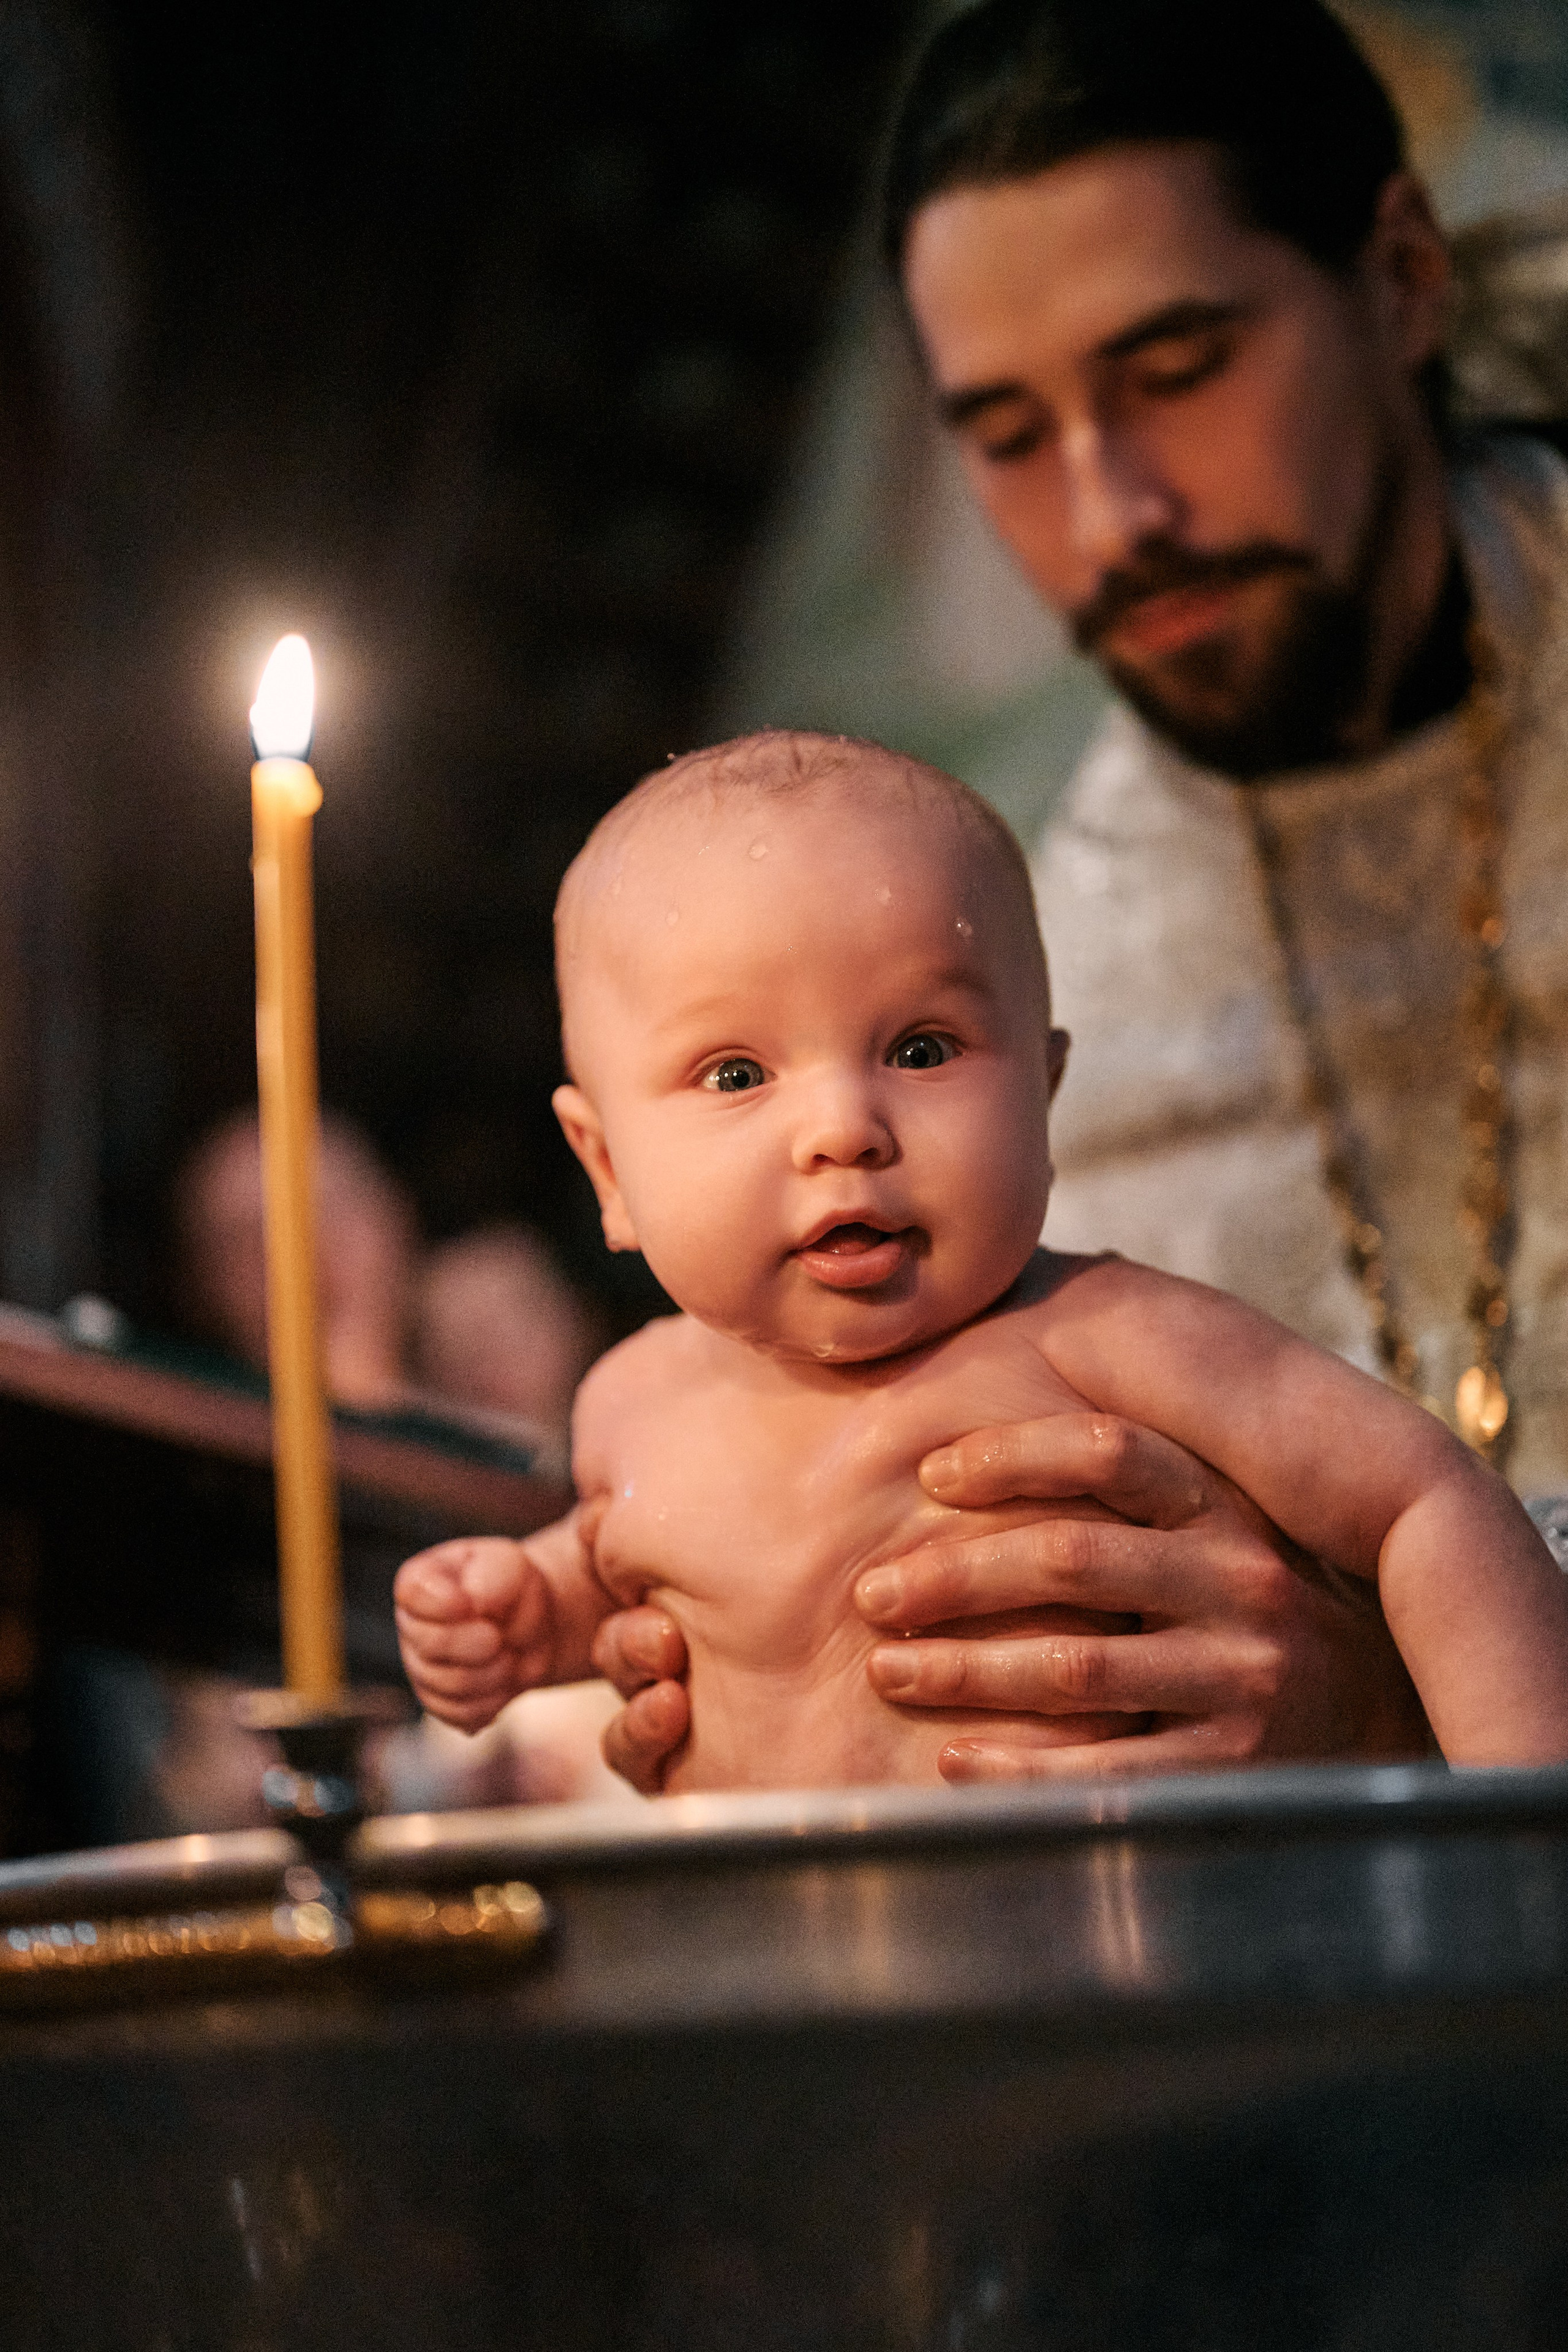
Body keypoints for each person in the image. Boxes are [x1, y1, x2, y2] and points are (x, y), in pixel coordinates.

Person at [594, 0, 1524, 1791]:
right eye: (1010, 434)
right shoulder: (1018, 982)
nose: (1112, 515)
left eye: (1177, 373)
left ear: (1400, 279)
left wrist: (1396, 1711)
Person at [395, 731, 1568, 1786]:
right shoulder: (629, 1408)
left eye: (921, 1046)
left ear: (1044, 1093)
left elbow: (1428, 1503)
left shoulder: (1110, 1338)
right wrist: (527, 1613)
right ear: (607, 1170)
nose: (844, 1128)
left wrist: (1516, 1843)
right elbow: (623, 1582)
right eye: (737, 1075)